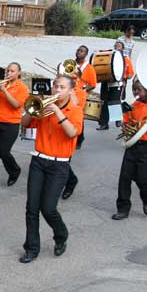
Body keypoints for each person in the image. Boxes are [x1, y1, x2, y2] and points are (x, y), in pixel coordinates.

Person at [19, 75, 83, 263]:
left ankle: (61, 235)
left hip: (59, 164)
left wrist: (56, 111)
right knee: (31, 208)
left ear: (70, 90)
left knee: (48, 208)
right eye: (55, 86)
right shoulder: (44, 108)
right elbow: (24, 123)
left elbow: (72, 132)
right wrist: (33, 110)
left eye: (62, 87)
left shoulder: (75, 110)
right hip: (39, 161)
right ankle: (31, 248)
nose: (57, 90)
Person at [0, 62, 29, 190]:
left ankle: (14, 170)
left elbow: (16, 105)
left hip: (11, 124)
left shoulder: (23, 88)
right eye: (8, 70)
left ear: (19, 73)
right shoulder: (2, 84)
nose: (9, 73)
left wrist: (4, 91)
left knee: (4, 152)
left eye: (12, 71)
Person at [112, 75, 147, 220]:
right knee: (125, 178)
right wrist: (120, 117)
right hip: (133, 145)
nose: (135, 93)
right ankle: (122, 208)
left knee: (145, 180)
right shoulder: (135, 105)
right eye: (134, 89)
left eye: (139, 90)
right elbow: (125, 123)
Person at [62, 45, 96, 199]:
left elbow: (75, 106)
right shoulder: (62, 88)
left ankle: (70, 181)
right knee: (57, 161)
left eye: (74, 76)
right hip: (57, 125)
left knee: (62, 162)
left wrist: (73, 90)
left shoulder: (80, 93)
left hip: (70, 128)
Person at [97, 41, 132, 131]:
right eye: (115, 46)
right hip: (106, 82)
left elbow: (130, 74)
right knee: (104, 102)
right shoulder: (108, 56)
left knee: (115, 102)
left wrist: (121, 76)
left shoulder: (126, 59)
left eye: (119, 46)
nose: (117, 47)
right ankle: (104, 124)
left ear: (122, 48)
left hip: (118, 84)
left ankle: (117, 120)